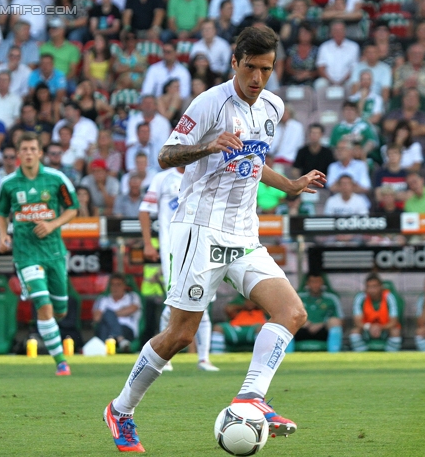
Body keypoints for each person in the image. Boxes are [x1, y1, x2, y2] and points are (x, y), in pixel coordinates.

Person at [103, 26, 325, 452]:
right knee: (181, 335)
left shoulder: (272, 107)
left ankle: (250, 398)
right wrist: (207, 147)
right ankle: (121, 409)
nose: (258, 79)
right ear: (235, 64)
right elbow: (166, 155)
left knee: (292, 312)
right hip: (199, 230)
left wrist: (291, 185)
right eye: (251, 68)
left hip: (244, 231)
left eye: (266, 69)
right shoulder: (210, 104)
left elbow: (255, 161)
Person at [0, 132, 79, 376]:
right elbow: (1, 213)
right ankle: (61, 362)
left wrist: (52, 224)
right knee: (43, 304)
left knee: (59, 310)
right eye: (25, 149)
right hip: (25, 253)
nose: (29, 153)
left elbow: (73, 207)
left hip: (53, 252)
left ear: (40, 153)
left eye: (33, 149)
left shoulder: (56, 179)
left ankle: (50, 331)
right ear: (19, 154)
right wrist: (3, 235)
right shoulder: (9, 183)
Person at [139, 165, 220, 372]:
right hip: (172, 248)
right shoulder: (162, 178)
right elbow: (144, 210)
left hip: (201, 245)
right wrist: (148, 243)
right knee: (173, 301)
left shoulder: (205, 172)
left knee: (203, 301)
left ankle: (204, 359)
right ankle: (162, 357)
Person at [350, 273, 401, 352]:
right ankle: (361, 357)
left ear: (381, 287)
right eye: (369, 287)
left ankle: (391, 358)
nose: (372, 290)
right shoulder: (360, 297)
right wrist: (369, 327)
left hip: (385, 329)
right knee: (354, 331)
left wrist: (380, 327)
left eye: (374, 286)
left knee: (395, 332)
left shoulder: (389, 297)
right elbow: (357, 321)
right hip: (367, 329)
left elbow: (394, 321)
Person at [92, 273, 142, 353]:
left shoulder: (132, 296)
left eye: (118, 285)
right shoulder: (103, 299)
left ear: (124, 286)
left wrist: (108, 314)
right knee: (103, 326)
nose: (115, 288)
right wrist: (121, 311)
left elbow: (132, 309)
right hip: (107, 330)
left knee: (107, 313)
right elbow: (97, 318)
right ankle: (121, 340)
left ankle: (103, 348)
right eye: (113, 285)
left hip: (126, 329)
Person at [296, 274, 343, 353]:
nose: (315, 285)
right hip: (303, 330)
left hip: (323, 330)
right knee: (289, 324)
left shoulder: (331, 298)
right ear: (307, 283)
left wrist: (323, 324)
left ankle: (334, 357)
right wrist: (301, 321)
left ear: (323, 283)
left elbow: (341, 321)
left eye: (318, 282)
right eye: (312, 282)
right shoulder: (298, 297)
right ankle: (287, 357)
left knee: (335, 322)